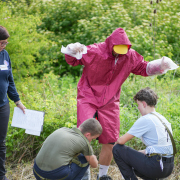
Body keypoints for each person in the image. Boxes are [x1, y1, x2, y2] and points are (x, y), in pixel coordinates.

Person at [64, 27, 172, 180]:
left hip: (110, 100)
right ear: (110, 45)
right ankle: (82, 174)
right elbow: (73, 60)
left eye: (123, 51)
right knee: (83, 136)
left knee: (110, 140)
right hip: (88, 96)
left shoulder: (130, 56)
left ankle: (102, 176)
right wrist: (71, 49)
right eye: (117, 50)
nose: (119, 54)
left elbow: (143, 67)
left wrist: (160, 66)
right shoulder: (95, 51)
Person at [113, 87, 174, 180]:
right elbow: (159, 148)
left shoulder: (146, 119)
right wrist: (134, 156)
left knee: (117, 149)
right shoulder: (161, 118)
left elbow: (121, 141)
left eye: (138, 104)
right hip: (168, 167)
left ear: (144, 104)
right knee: (132, 160)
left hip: (157, 166)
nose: (138, 107)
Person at [33, 118, 102, 180]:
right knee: (84, 159)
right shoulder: (84, 142)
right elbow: (94, 165)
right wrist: (93, 157)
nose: (91, 141)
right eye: (92, 139)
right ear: (88, 135)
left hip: (37, 172)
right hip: (54, 175)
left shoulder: (62, 129)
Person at [0, 26, 26, 180]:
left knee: (1, 143)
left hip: (3, 105)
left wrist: (17, 101)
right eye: (2, 43)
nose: (3, 46)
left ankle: (1, 175)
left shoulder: (4, 55)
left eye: (5, 43)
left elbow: (9, 80)